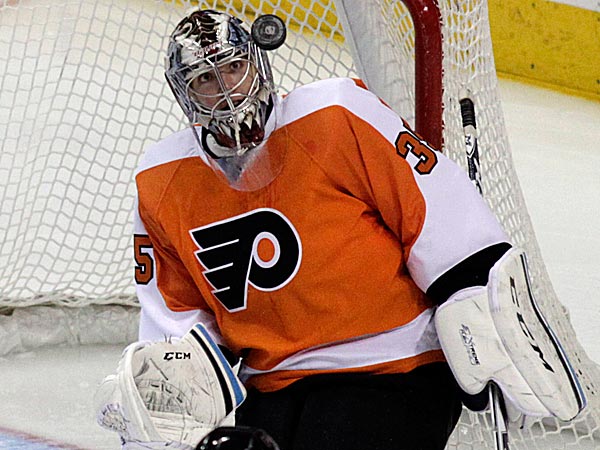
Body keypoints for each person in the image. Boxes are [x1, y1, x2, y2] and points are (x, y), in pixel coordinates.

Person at [95, 8, 585, 450]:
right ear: (183, 92)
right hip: (270, 384)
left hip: (396, 364)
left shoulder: (335, 114)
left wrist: (473, 294)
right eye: (205, 78)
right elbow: (177, 320)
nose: (225, 89)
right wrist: (173, 379)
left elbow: (436, 206)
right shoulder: (162, 180)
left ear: (257, 62)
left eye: (233, 67)